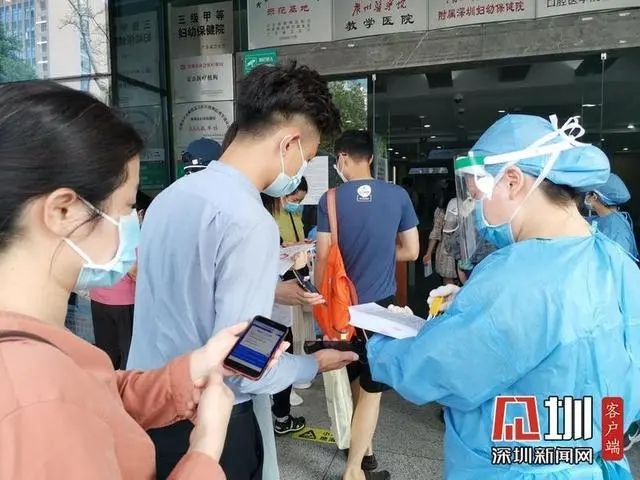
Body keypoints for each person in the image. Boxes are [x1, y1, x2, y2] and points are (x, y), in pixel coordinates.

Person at [0, 80, 288, 479]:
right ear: (62, 211)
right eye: (125, 207)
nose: (132, 224)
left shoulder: (42, 347)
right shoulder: (34, 395)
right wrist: (205, 448)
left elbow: (100, 397)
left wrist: (194, 367)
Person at [366, 114, 640, 479]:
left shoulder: (516, 275)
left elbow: (440, 369)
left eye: (478, 193)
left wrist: (378, 347)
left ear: (512, 181)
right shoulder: (618, 262)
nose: (476, 206)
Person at [127, 61, 357, 480]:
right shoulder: (250, 220)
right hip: (210, 425)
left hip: (148, 405)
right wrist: (312, 364)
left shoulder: (169, 198)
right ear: (289, 143)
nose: (300, 170)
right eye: (307, 157)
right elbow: (247, 365)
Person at [315, 130, 420, 480]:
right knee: (372, 390)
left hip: (342, 307)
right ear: (371, 158)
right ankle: (354, 470)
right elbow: (412, 251)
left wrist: (318, 296)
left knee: (353, 375)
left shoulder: (330, 199)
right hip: (380, 311)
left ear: (342, 158)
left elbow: (324, 255)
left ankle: (365, 456)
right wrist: (382, 254)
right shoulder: (398, 195)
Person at [90, 190, 152, 369]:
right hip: (126, 304)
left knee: (107, 355)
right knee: (129, 356)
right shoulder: (136, 237)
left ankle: (108, 384)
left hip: (99, 300)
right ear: (140, 213)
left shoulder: (101, 231)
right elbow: (137, 274)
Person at [583, 173, 639, 259]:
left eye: (587, 193)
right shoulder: (605, 218)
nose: (585, 196)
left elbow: (617, 264)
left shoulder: (617, 231)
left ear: (594, 197)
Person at [423, 191, 458, 285]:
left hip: (446, 250)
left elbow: (436, 232)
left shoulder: (441, 211)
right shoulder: (467, 206)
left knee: (448, 281)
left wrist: (428, 253)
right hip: (464, 249)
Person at [275, 176, 308, 244]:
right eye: (295, 200)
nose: (297, 204)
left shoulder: (296, 212)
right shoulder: (270, 212)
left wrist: (303, 241)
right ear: (284, 194)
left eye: (300, 201)